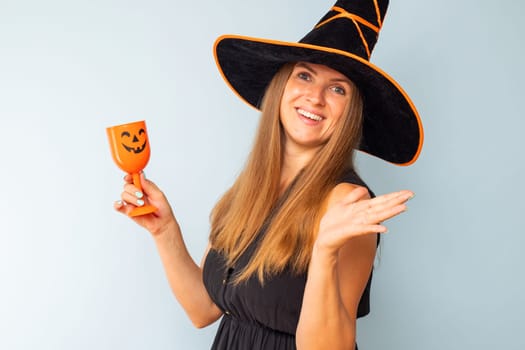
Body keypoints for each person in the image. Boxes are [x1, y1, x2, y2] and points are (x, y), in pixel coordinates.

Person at [114, 0, 423, 349]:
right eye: (304, 75)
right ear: (280, 87)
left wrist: (324, 251)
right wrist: (164, 230)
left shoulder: (346, 201)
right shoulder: (251, 187)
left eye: (338, 88)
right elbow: (203, 309)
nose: (315, 97)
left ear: (351, 112)